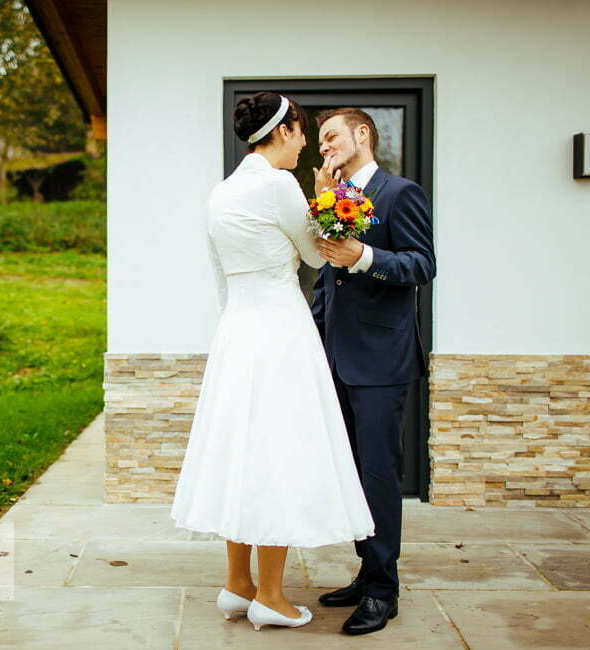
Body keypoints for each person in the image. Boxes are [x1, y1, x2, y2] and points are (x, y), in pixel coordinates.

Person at [169, 92, 375, 633]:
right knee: (276, 455)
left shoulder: (220, 193)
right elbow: (315, 252)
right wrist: (329, 198)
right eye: (304, 133)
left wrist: (233, 330)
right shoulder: (278, 184)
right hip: (281, 331)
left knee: (239, 452)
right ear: (284, 131)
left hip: (237, 331)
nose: (307, 144)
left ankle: (237, 585)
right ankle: (271, 596)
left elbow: (220, 276)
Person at [311, 107, 437, 635]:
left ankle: (384, 589)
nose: (324, 148)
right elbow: (326, 279)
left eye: (331, 136)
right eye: (319, 142)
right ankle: (366, 573)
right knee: (354, 474)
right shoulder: (330, 198)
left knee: (380, 475)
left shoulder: (399, 192)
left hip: (382, 361)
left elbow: (422, 264)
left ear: (363, 133)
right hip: (338, 357)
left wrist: (363, 255)